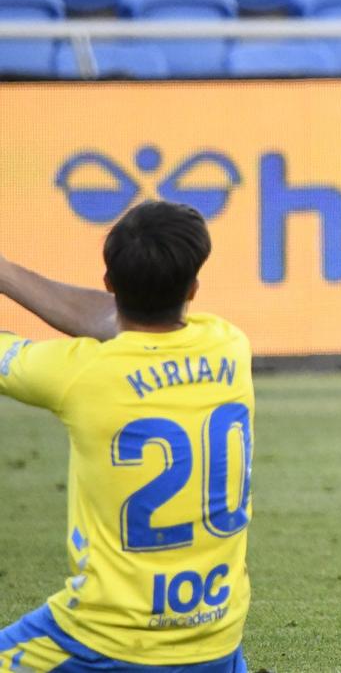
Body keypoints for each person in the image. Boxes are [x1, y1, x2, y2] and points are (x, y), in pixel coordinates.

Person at [0, 201, 254, 673]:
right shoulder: (230, 346)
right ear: (194, 287)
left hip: (102, 639)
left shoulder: (79, 374)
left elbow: (94, 326)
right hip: (215, 641)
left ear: (109, 283)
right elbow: (110, 321)